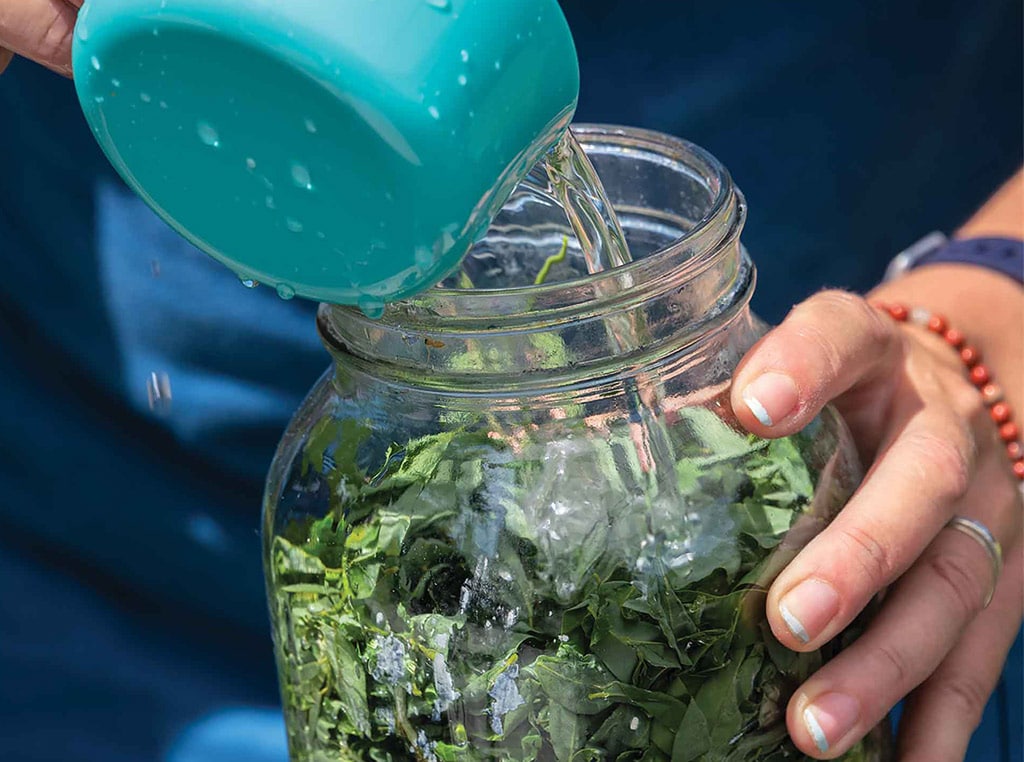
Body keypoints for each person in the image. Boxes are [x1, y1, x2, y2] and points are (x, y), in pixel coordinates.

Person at [1, 1, 1021, 761]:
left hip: (907, 439)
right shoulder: (330, 469)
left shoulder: (793, 462)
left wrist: (994, 305)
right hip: (82, 541)